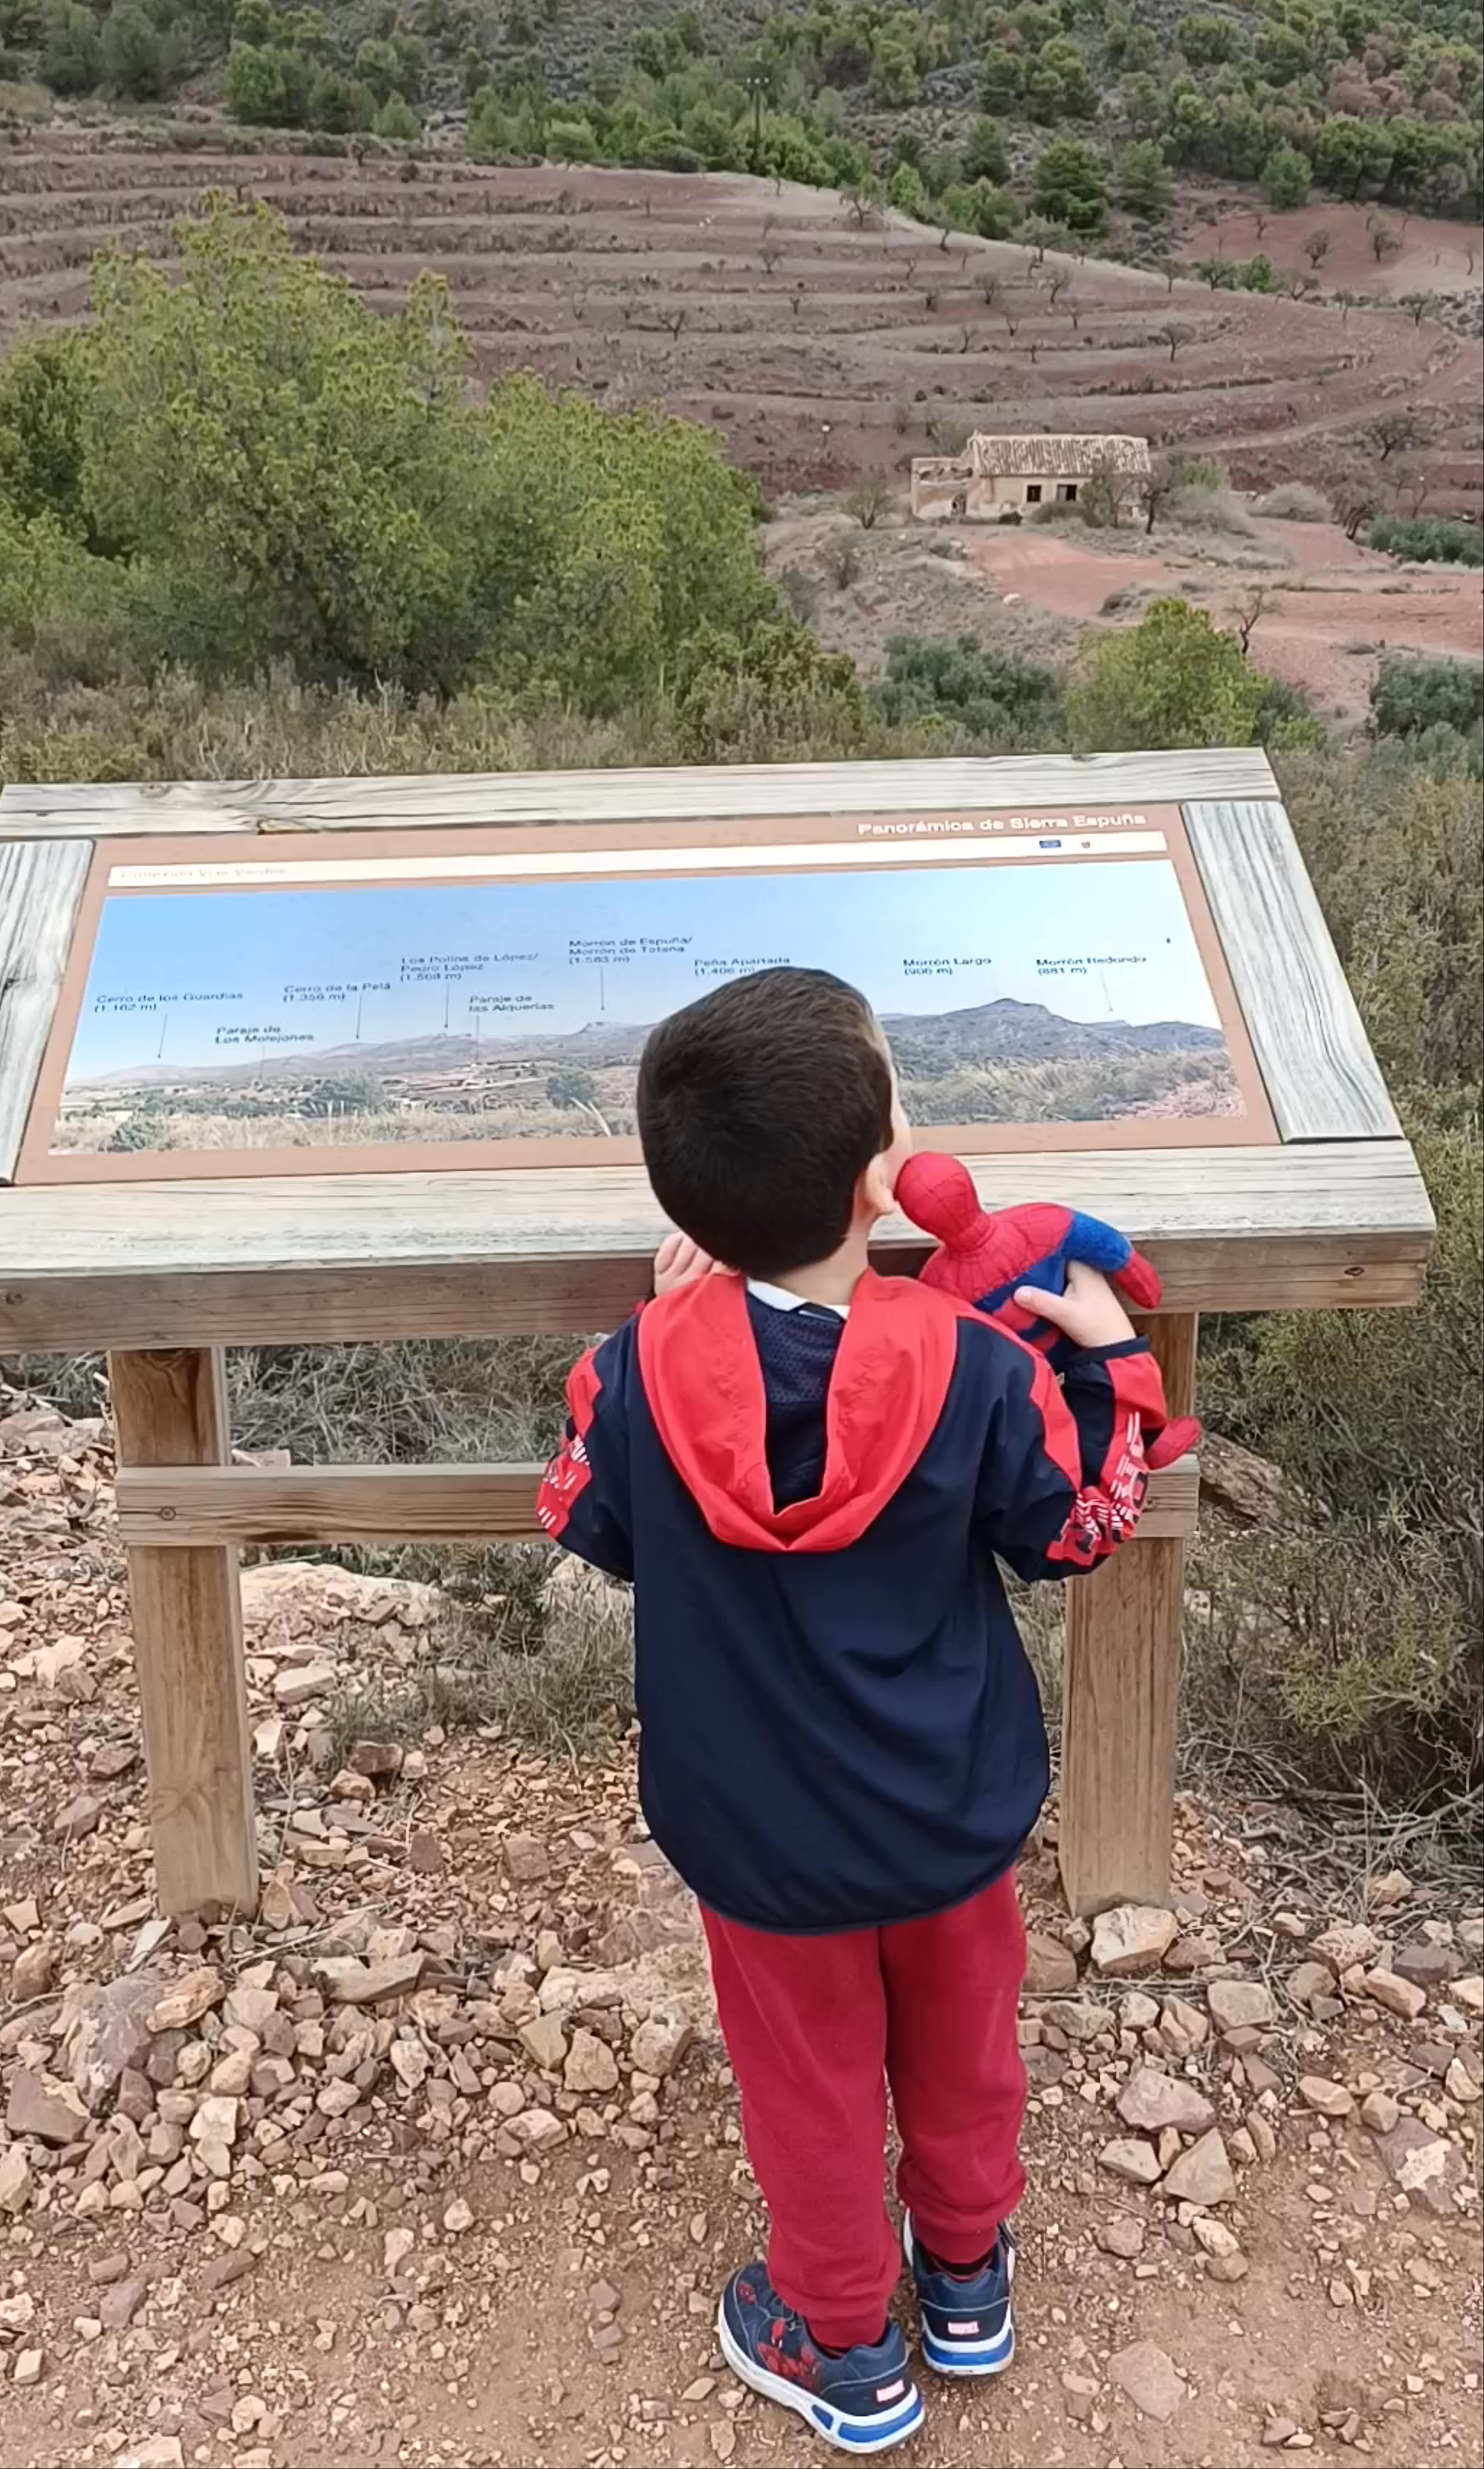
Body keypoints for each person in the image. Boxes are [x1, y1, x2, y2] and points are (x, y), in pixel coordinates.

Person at [535, 965, 1173, 2454]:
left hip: (758, 1841)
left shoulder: (633, 1376)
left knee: (809, 2086)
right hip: (948, 1809)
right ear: (885, 1173)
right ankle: (964, 2279)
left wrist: (658, 1333)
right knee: (965, 2047)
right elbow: (1071, 1531)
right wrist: (1106, 1362)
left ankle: (842, 2341)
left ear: (695, 1208)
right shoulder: (973, 1368)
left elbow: (588, 1517)